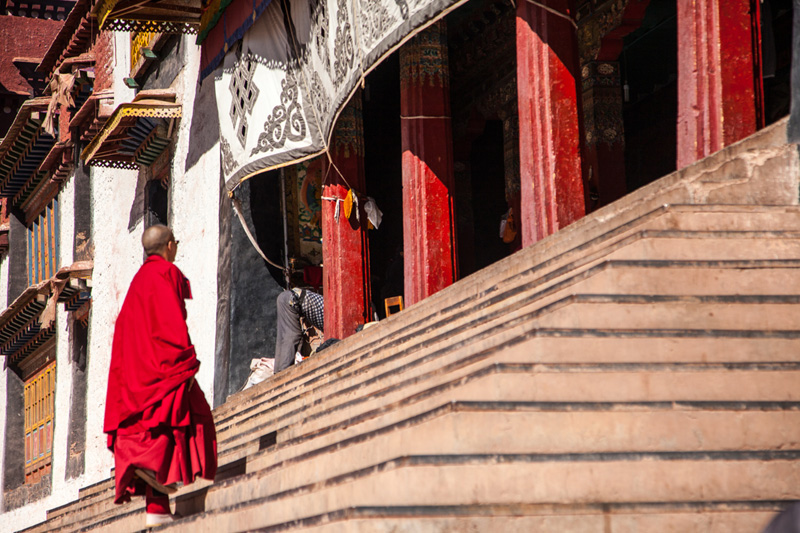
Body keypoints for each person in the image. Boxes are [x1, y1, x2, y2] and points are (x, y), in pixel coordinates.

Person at [103, 225, 217, 527]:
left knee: (152, 427)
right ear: (168, 246)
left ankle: (157, 509)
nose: (175, 248)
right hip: (164, 364)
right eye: (175, 243)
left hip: (135, 371)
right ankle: (151, 469)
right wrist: (187, 360)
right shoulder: (167, 273)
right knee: (186, 417)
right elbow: (172, 320)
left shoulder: (138, 280)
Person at [274, 288, 324, 373]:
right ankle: (282, 372)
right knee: (290, 335)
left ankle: (279, 371)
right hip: (293, 299)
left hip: (289, 298)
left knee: (284, 337)